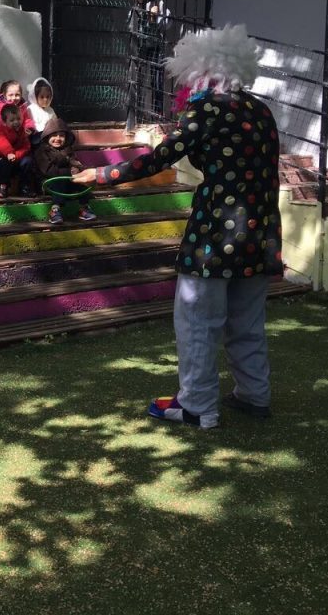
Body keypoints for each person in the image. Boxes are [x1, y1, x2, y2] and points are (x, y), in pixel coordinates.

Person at [73, 25, 282, 429]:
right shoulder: (260, 111)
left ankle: (197, 406)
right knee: (247, 321)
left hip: (214, 235)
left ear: (200, 71)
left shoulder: (206, 111)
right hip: (260, 233)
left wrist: (100, 175)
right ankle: (254, 394)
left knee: (197, 320)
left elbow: (158, 158)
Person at [34, 118, 96, 224]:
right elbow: (48, 171)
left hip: (68, 180)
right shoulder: (42, 151)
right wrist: (69, 172)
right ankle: (55, 210)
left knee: (82, 182)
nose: (58, 138)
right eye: (54, 135)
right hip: (49, 182)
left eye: (61, 135)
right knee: (58, 182)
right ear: (47, 136)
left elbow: (75, 163)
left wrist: (80, 170)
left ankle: (84, 208)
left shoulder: (68, 150)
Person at [0, 103, 35, 199]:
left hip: (14, 159)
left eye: (18, 119)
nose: (16, 122)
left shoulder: (22, 132)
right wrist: (9, 153)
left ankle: (24, 187)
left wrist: (15, 155)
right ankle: (2, 186)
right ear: (4, 122)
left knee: (28, 161)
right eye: (12, 120)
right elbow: (1, 143)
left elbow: (26, 146)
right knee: (5, 162)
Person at [26, 77, 57, 148]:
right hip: (36, 136)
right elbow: (29, 124)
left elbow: (55, 123)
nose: (45, 100)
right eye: (42, 97)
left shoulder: (51, 110)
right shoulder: (31, 109)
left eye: (48, 97)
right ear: (35, 97)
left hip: (49, 135)